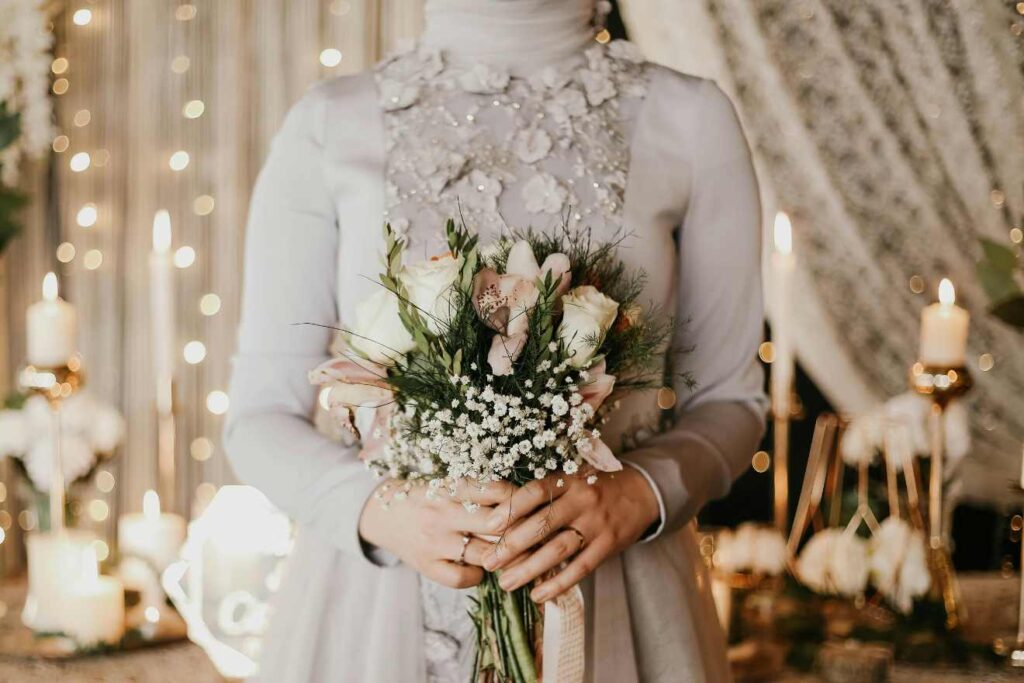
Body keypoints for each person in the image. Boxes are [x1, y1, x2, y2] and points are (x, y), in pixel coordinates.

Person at [225, 0, 767, 680]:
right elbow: (257, 416)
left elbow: (732, 399)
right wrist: (383, 512)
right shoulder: (331, 122)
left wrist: (636, 494)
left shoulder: (691, 119)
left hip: (617, 595)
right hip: (373, 614)